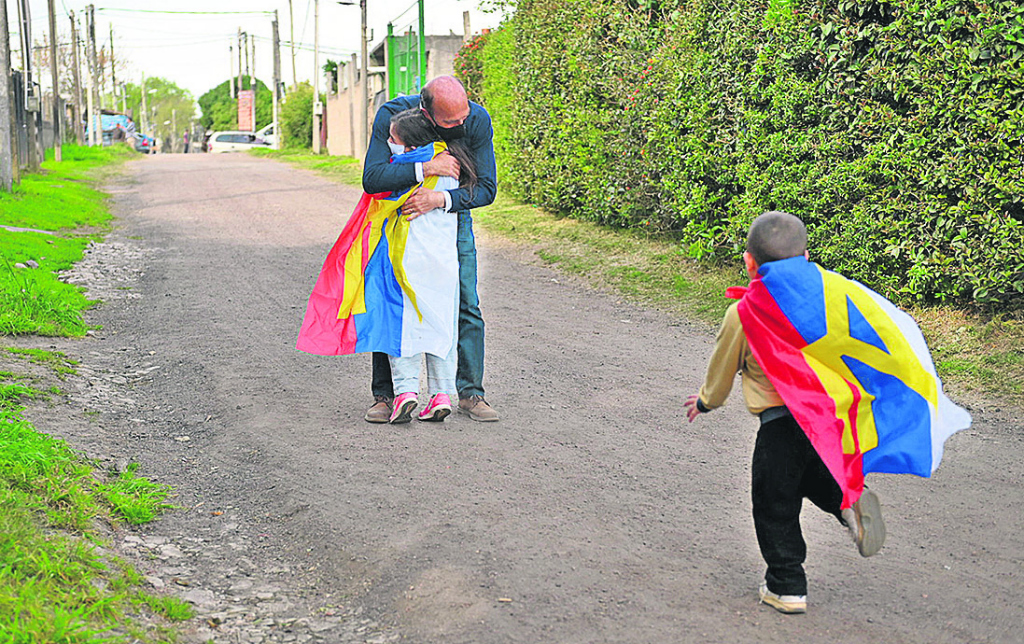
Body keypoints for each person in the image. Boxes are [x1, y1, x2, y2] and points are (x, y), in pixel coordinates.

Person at [684, 210, 970, 615]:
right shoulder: (831, 296)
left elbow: (723, 368)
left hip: (780, 426)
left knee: (774, 500)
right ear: (805, 256)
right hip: (825, 425)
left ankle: (786, 585)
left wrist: (705, 401)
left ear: (749, 262)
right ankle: (845, 503)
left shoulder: (745, 313)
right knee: (811, 474)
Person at [361, 75, 499, 423]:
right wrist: (425, 169)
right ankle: (386, 396)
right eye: (451, 122)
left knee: (465, 301)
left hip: (452, 217)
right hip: (399, 217)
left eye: (464, 115)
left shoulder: (476, 119)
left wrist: (440, 198)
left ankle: (469, 394)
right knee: (391, 299)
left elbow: (486, 188)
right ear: (426, 113)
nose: (461, 124)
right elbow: (373, 177)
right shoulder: (392, 116)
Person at [385, 108, 479, 423]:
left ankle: (406, 392)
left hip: (407, 263)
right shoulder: (453, 165)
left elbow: (376, 187)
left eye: (393, 139)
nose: (388, 143)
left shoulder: (405, 167)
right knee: (442, 326)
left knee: (404, 327)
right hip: (444, 263)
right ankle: (440, 394)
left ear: (410, 147)